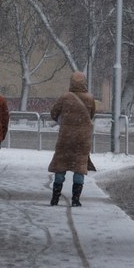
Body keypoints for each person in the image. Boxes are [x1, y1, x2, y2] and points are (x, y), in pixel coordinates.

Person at [48, 71, 95, 207]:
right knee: (80, 167)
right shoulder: (90, 98)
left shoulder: (65, 97)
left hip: (66, 137)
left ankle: (55, 198)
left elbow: (53, 113)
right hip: (82, 139)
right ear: (84, 82)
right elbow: (91, 115)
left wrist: (64, 120)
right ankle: (75, 199)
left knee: (60, 165)